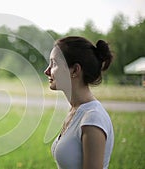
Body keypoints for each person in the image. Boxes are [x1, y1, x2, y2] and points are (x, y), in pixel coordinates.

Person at [44, 36, 114, 169]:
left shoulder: (93, 117)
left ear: (75, 70)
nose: (47, 71)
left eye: (54, 63)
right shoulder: (75, 111)